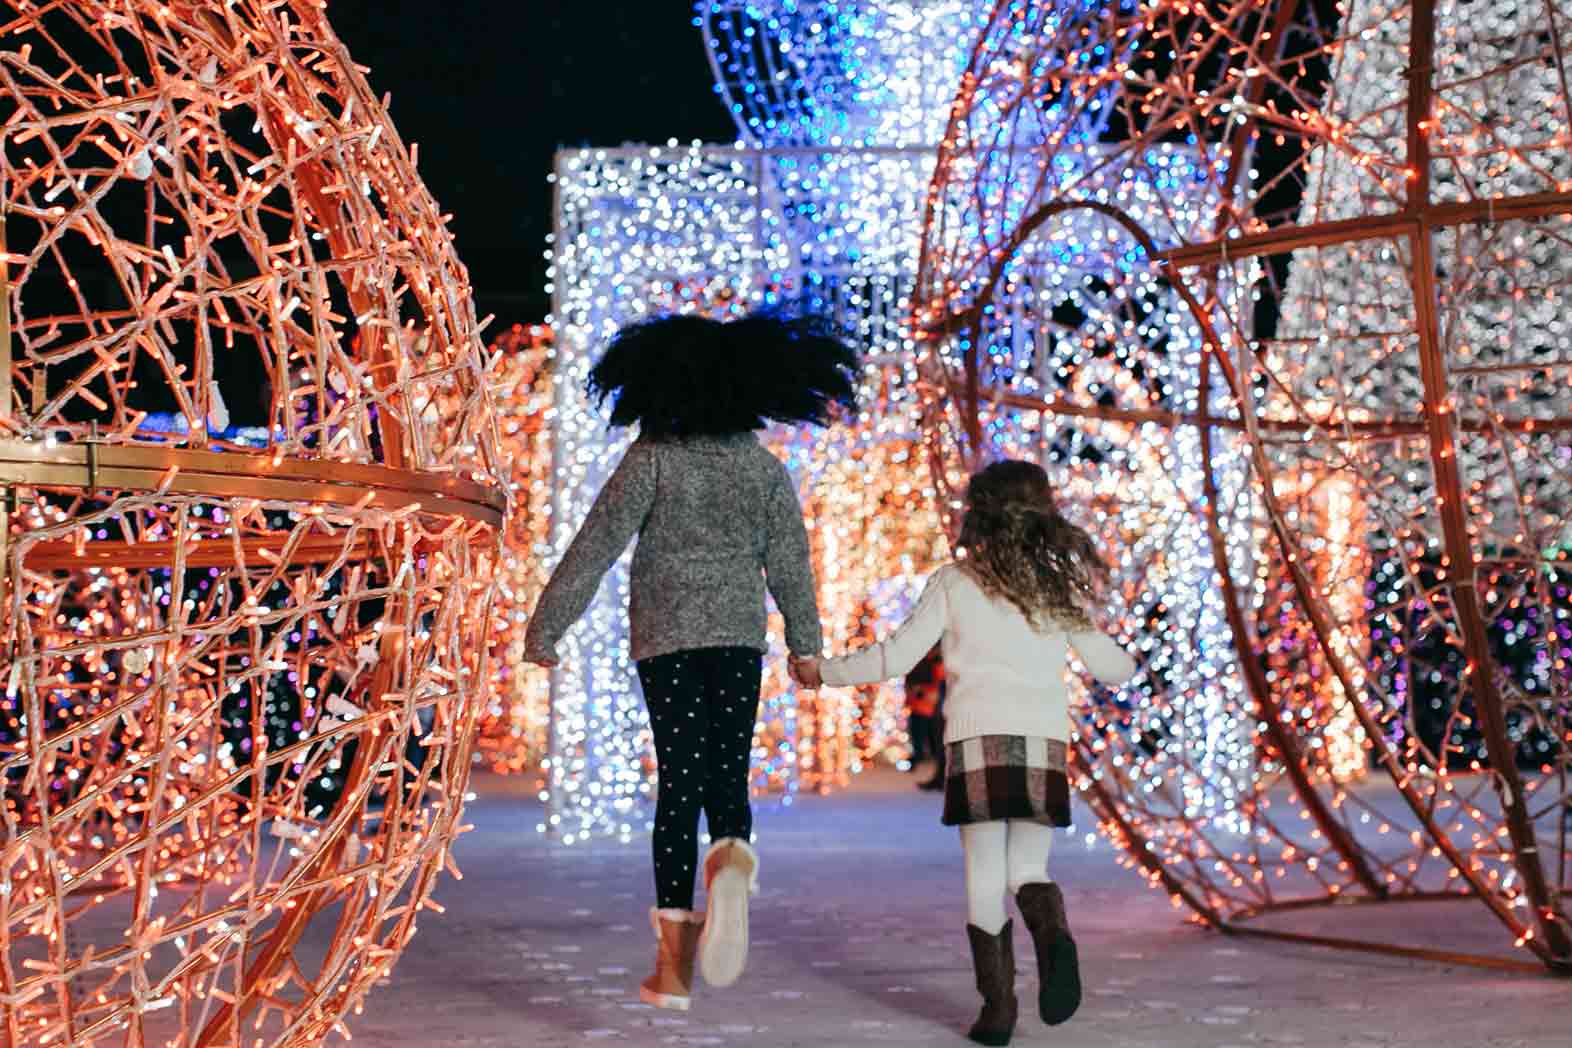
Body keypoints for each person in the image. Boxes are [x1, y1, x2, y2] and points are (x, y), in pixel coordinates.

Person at [523, 309, 856, 1011]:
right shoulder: (762, 469)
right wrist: (807, 646)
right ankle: (732, 853)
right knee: (726, 770)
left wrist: (546, 627)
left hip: (666, 637)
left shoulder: (651, 459)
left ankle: (673, 966)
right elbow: (791, 566)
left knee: (680, 780)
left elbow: (595, 546)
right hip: (737, 636)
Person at [791, 460, 1136, 1046]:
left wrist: (821, 671)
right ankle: (1054, 941)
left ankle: (997, 1012)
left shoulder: (956, 582)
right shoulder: (1053, 587)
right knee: (1030, 869)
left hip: (976, 740)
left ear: (979, 513)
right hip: (1041, 740)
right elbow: (1115, 668)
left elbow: (895, 658)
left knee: (983, 877)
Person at [904, 644, 946, 788]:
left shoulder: (936, 663)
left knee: (935, 742)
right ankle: (939, 776)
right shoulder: (927, 662)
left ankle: (940, 776)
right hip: (925, 708)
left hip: (932, 709)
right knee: (926, 739)